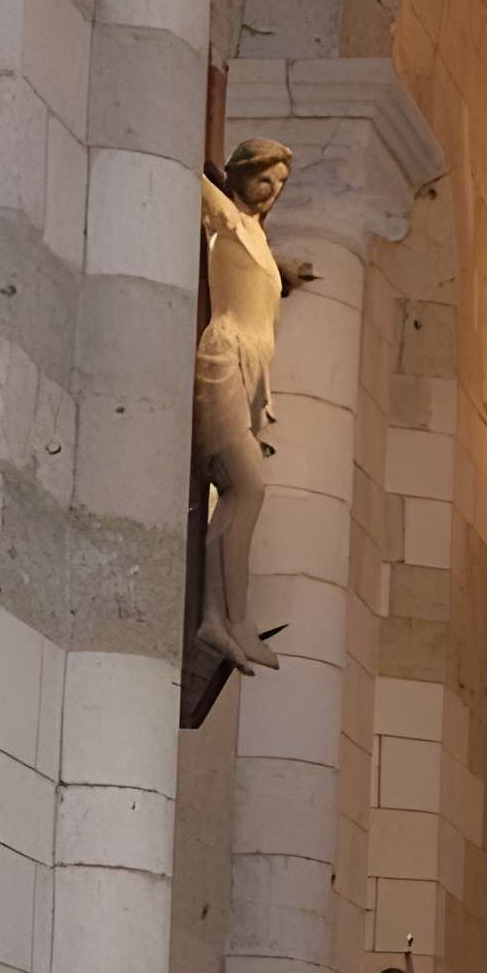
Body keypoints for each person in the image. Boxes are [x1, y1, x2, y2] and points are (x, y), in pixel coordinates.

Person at [192, 139, 317, 678]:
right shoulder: (224, 215)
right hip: (223, 360)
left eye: (282, 184)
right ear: (242, 175)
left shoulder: (256, 235)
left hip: (249, 375)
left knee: (242, 492)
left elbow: (256, 267)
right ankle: (226, 620)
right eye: (266, 179)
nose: (273, 192)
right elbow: (183, 168)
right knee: (248, 487)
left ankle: (222, 617)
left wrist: (283, 270)